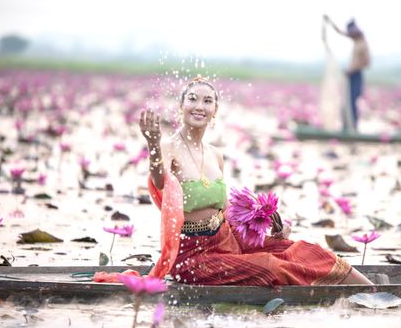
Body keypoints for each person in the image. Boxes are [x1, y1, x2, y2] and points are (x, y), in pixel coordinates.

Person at [139, 76, 372, 286]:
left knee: (302, 250)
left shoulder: (215, 155)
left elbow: (225, 211)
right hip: (193, 256)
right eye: (193, 99)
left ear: (215, 110)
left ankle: (371, 291)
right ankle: (324, 290)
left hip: (227, 240)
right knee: (270, 265)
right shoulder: (167, 147)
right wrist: (152, 146)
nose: (199, 106)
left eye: (207, 101)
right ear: (181, 106)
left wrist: (264, 220)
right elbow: (160, 182)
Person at [323, 15, 371, 131]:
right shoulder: (355, 39)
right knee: (346, 101)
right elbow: (340, 32)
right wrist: (330, 21)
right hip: (350, 75)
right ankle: (346, 126)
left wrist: (351, 70)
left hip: (356, 75)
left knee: (352, 101)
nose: (350, 34)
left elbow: (366, 63)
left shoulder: (363, 44)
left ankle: (352, 126)